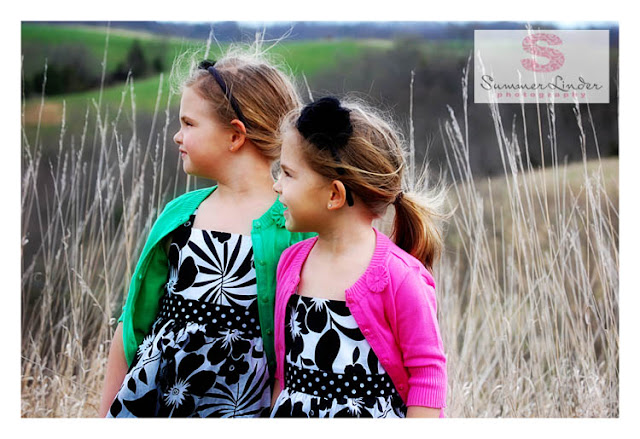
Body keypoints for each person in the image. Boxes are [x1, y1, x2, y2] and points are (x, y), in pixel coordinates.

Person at [98, 48, 314, 417]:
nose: (177, 136)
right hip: (158, 402)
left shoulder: (295, 226)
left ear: (235, 136)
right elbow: (132, 321)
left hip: (239, 406)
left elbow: (298, 346)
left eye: (189, 124)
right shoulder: (179, 215)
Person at [269, 96, 448, 418]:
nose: (276, 186)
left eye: (288, 174)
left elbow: (427, 373)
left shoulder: (399, 277)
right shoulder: (291, 263)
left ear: (334, 194)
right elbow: (284, 372)